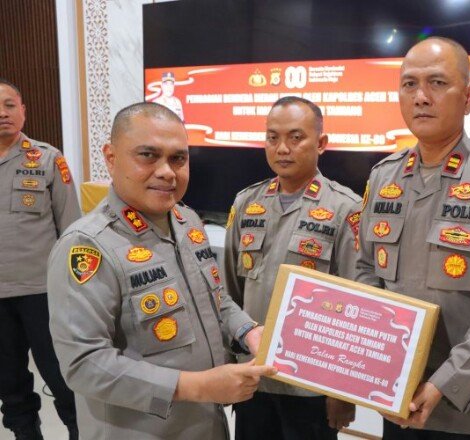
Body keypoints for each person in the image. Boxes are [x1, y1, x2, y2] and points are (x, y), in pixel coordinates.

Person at [47, 102, 276, 439]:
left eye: (178, 159)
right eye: (148, 155)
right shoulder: (87, 246)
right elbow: (84, 364)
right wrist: (197, 386)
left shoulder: (187, 222)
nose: (167, 172)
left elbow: (215, 299)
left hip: (205, 425)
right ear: (111, 157)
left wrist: (248, 332)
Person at [355, 37, 470, 439]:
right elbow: (366, 272)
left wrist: (444, 383)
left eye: (437, 83)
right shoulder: (383, 176)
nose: (421, 97)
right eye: (409, 84)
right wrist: (380, 365)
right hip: (399, 393)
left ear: (469, 97)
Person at [223, 96, 361, 440]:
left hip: (310, 386)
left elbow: (355, 307)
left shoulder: (345, 208)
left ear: (321, 143)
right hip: (253, 376)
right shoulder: (247, 203)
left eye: (296, 137)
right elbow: (228, 293)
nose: (282, 148)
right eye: (272, 138)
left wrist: (342, 391)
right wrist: (226, 365)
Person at [0, 79, 80, 440]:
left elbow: (73, 230)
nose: (2, 113)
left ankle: (80, 431)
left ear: (23, 111)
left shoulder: (48, 158)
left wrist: (76, 291)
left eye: (9, 105)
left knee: (63, 376)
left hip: (43, 292)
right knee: (9, 382)